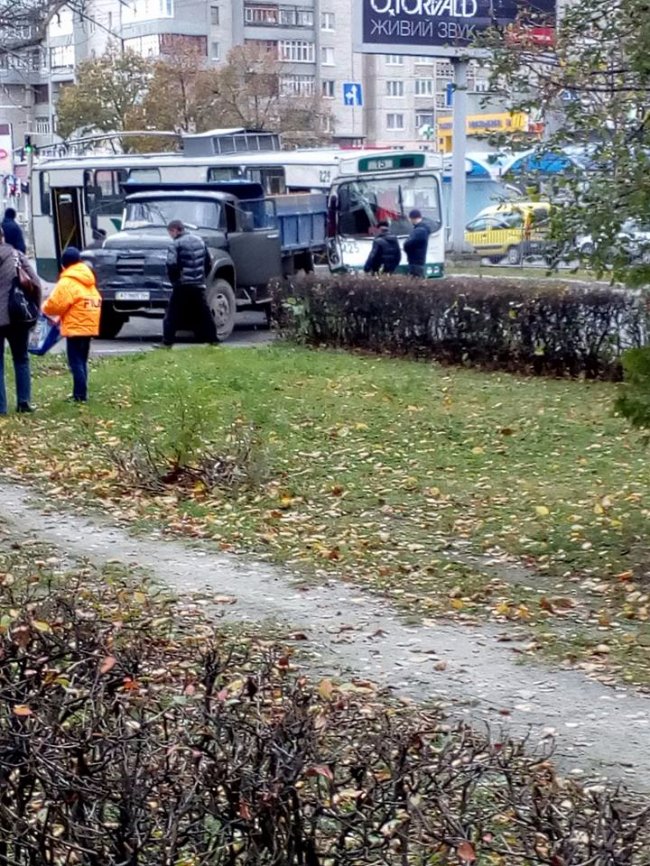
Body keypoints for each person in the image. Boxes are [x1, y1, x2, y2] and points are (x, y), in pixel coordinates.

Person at [43, 247, 101, 403]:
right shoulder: (88, 278)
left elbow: (55, 304)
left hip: (75, 326)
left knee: (75, 361)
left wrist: (44, 308)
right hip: (89, 325)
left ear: (64, 264)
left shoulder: (68, 280)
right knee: (82, 360)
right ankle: (81, 392)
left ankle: (80, 396)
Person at [0, 227, 41, 414]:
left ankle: (1, 407)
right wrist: (36, 309)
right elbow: (36, 283)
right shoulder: (16, 255)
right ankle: (23, 402)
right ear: (2, 237)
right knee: (21, 358)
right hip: (17, 315)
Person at [159, 220, 218, 348]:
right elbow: (208, 263)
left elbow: (171, 264)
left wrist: (175, 280)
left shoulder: (175, 244)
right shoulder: (200, 241)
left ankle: (167, 342)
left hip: (182, 284)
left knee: (172, 313)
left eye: (170, 232)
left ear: (174, 230)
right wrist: (202, 278)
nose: (170, 235)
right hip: (198, 284)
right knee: (205, 312)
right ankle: (213, 339)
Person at [403, 209, 432, 278]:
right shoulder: (423, 229)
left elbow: (407, 244)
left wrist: (406, 249)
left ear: (412, 218)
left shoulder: (419, 230)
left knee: (416, 281)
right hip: (419, 261)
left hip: (415, 261)